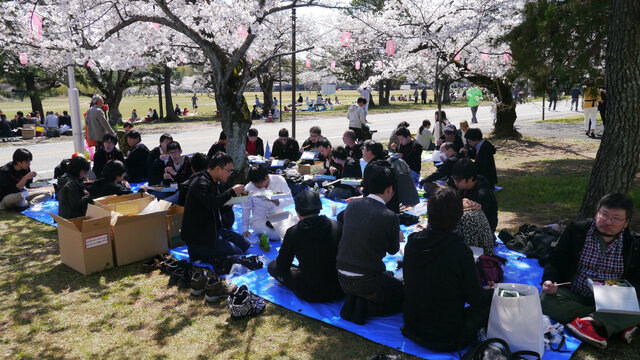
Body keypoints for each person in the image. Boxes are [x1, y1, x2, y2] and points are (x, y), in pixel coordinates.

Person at [540, 193, 640, 349]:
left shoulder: (634, 243)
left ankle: (588, 322)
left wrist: (628, 298)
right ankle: (611, 323)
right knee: (546, 300)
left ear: (626, 222)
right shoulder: (577, 231)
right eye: (604, 215)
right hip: (576, 294)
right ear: (596, 213)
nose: (608, 222)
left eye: (616, 218)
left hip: (614, 301)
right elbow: (556, 260)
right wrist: (548, 280)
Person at [403, 187, 493, 351]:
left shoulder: (413, 243)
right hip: (446, 336)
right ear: (458, 216)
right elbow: (475, 298)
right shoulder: (459, 250)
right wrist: (491, 293)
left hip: (412, 327)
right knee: (490, 306)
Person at [337, 165, 404, 323]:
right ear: (389, 189)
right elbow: (393, 250)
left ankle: (356, 300)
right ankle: (365, 307)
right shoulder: (389, 216)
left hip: (341, 277)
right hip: (368, 281)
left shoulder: (352, 205)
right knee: (404, 295)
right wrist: (397, 236)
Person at [267, 190, 344, 303]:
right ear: (319, 208)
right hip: (340, 288)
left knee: (272, 266)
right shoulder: (337, 226)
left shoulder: (294, 232)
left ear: (298, 212)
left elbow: (282, 265)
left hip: (312, 293)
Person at [181, 152, 250, 262]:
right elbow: (212, 203)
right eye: (228, 171)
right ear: (218, 169)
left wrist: (231, 202)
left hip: (214, 230)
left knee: (245, 244)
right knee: (237, 252)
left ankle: (213, 250)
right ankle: (197, 253)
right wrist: (231, 192)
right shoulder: (200, 182)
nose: (229, 174)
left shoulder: (216, 182)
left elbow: (219, 207)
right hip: (199, 236)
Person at [361, 140, 419, 214]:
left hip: (380, 210)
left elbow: (368, 194)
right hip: (398, 206)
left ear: (369, 153)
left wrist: (358, 188)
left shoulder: (372, 168)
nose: (362, 153)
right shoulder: (395, 161)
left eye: (364, 150)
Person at [241, 164, 296, 241]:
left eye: (259, 184)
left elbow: (290, 200)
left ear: (266, 177)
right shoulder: (248, 188)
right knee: (276, 234)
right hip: (260, 220)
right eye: (254, 184)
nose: (257, 186)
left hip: (279, 216)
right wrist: (245, 229)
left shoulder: (279, 180)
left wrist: (277, 202)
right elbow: (245, 209)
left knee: (296, 225)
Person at [451, 158, 498, 233]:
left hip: (483, 232)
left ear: (470, 178)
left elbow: (469, 216)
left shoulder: (483, 194)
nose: (455, 183)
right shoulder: (465, 186)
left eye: (458, 180)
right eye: (454, 179)